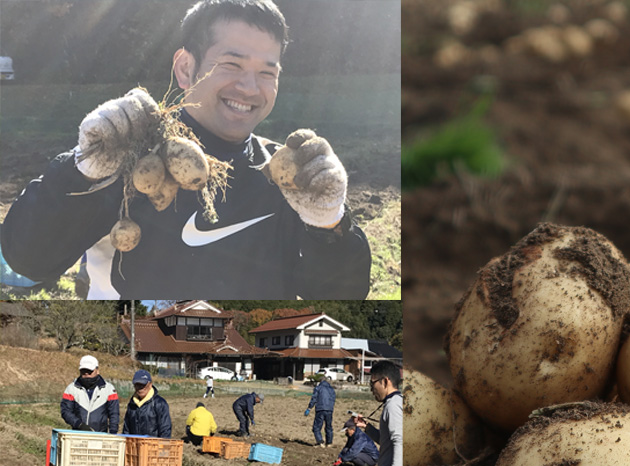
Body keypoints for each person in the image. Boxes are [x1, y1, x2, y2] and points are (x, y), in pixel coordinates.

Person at [0, 0, 370, 299]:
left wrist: (330, 224)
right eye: (231, 64)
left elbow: (343, 295)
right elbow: (28, 261)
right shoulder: (124, 158)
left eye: (267, 73)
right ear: (185, 68)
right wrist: (81, 168)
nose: (249, 87)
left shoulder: (288, 179)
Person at [60, 355, 119, 433]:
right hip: (77, 435)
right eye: (83, 371)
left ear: (97, 370)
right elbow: (65, 411)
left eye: (90, 371)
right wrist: (79, 425)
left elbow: (114, 414)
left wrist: (113, 433)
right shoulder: (71, 389)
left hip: (100, 436)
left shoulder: (109, 390)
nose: (86, 374)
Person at [122, 370, 172, 438]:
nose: (140, 388)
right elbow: (126, 430)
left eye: (143, 385)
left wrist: (162, 447)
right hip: (134, 446)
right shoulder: (131, 404)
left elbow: (165, 430)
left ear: (150, 385)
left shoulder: (159, 403)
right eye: (137, 385)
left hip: (153, 447)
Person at [306, 377, 335, 447]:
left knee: (317, 427)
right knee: (328, 426)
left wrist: (309, 408)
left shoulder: (318, 388)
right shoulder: (331, 389)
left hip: (320, 409)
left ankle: (320, 442)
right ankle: (329, 443)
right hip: (329, 409)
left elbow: (314, 398)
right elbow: (333, 399)